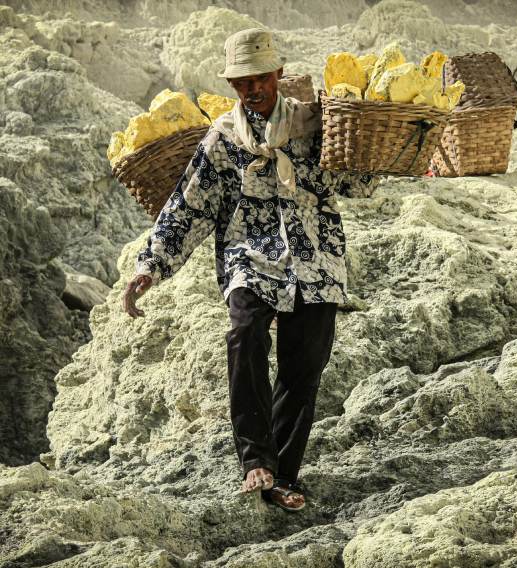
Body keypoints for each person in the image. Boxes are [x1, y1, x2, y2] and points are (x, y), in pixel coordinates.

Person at [122, 28, 379, 512]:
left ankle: (281, 477)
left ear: (278, 75)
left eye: (260, 79)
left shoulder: (314, 126)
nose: (252, 90)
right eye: (242, 83)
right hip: (250, 258)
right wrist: (150, 268)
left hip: (316, 258)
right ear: (233, 85)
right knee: (245, 334)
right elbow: (189, 207)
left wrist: (376, 154)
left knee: (304, 369)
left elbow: (357, 184)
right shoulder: (221, 141)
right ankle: (254, 461)